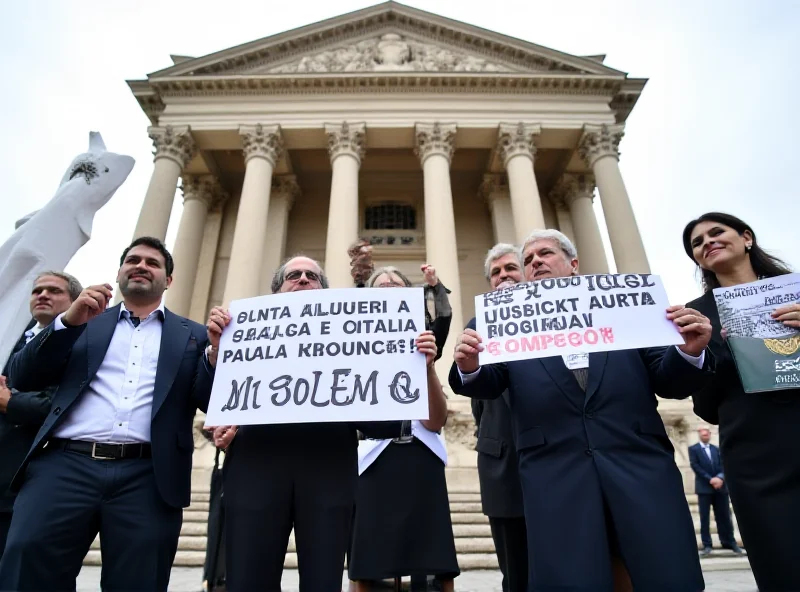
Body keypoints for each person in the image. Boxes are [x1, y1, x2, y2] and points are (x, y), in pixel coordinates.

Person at [450, 229, 713, 591]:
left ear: (574, 264)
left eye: (545, 254)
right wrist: (469, 365)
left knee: (666, 573)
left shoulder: (626, 304)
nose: (535, 262)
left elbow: (668, 379)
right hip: (554, 474)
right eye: (528, 260)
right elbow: (487, 382)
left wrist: (689, 351)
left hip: (637, 464)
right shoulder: (507, 318)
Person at [0, 237, 227, 592]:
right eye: (132, 260)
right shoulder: (82, 321)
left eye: (153, 263)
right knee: (28, 562)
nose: (141, 266)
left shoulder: (194, 336)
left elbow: (207, 400)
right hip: (64, 466)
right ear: (119, 272)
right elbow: (22, 375)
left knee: (140, 579)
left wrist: (215, 356)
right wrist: (65, 324)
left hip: (148, 476)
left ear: (169, 280)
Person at [217, 255, 409, 592]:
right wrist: (216, 354)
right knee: (247, 581)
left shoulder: (358, 344)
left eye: (313, 276)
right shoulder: (241, 336)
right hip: (254, 468)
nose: (304, 279)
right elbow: (209, 400)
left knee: (323, 582)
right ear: (275, 293)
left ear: (325, 293)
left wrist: (409, 368)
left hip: (329, 472)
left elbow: (387, 424)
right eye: (294, 274)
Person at [683, 212, 799, 590]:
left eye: (716, 232)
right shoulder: (696, 314)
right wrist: (710, 352)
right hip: (756, 458)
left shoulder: (795, 291)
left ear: (746, 237)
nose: (707, 242)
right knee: (782, 566)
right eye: (697, 243)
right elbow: (705, 407)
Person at [349, 267, 457, 592]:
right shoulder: (353, 344)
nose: (389, 287)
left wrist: (428, 368)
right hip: (373, 458)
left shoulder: (425, 339)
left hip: (420, 456)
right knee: (367, 559)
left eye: (396, 284)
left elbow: (435, 421)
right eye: (381, 284)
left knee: (433, 555)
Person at [0, 271, 82, 559]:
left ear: (74, 301)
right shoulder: (9, 341)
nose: (43, 295)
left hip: (29, 479)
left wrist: (10, 401)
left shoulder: (81, 346)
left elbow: (61, 405)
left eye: (54, 291)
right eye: (37, 291)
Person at [470, 244, 528, 592]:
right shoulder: (478, 326)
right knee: (516, 574)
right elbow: (479, 398)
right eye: (496, 272)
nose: (503, 276)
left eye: (511, 268)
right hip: (503, 462)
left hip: (561, 461)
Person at [688, 426, 741, 556]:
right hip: (704, 488)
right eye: (703, 434)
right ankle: (707, 545)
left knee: (724, 516)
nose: (706, 436)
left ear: (710, 435)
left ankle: (729, 542)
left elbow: (724, 464)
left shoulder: (716, 449)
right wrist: (710, 479)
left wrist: (719, 478)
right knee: (704, 518)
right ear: (699, 435)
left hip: (720, 487)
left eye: (707, 434)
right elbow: (695, 466)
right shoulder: (693, 449)